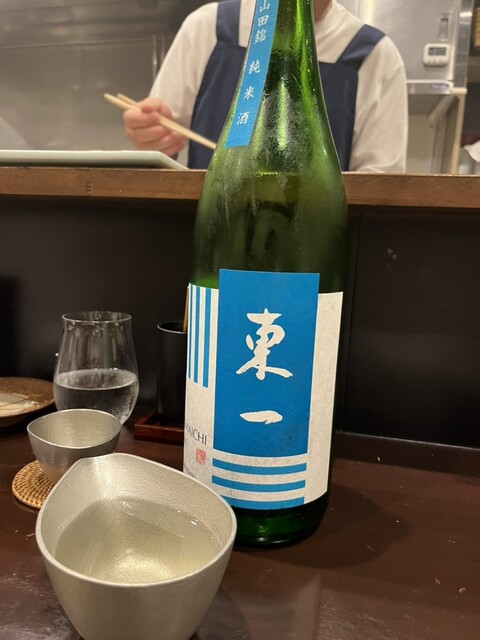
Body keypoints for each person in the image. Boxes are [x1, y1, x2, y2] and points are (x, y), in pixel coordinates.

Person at [123, 0, 408, 172]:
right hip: (213, 224)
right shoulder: (209, 27)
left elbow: (378, 183)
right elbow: (160, 150)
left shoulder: (372, 55)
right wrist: (152, 137)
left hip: (308, 237)